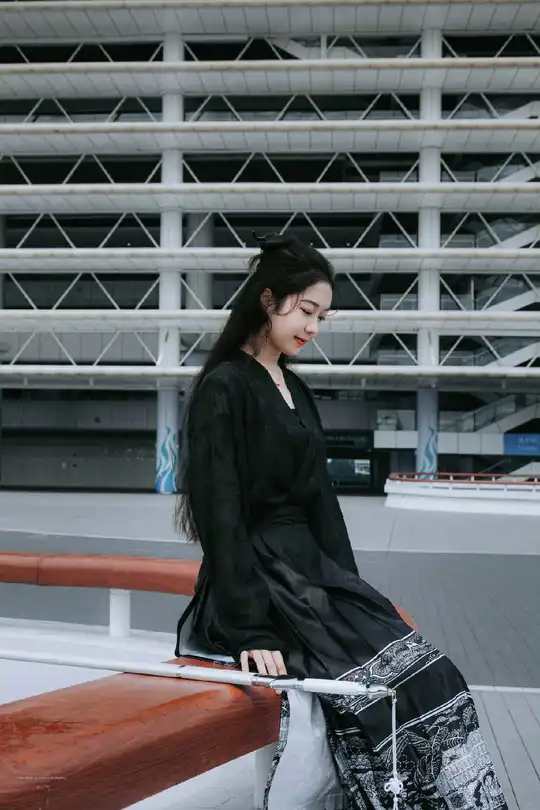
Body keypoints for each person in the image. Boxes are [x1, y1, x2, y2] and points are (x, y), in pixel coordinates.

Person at [174, 233, 507, 810]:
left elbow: (320, 503)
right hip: (262, 583)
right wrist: (251, 629)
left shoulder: (296, 389)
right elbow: (219, 513)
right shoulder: (224, 387)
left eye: (322, 317)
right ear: (268, 299)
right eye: (307, 311)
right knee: (385, 694)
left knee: (438, 679)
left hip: (309, 577)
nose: (314, 327)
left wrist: (353, 592)